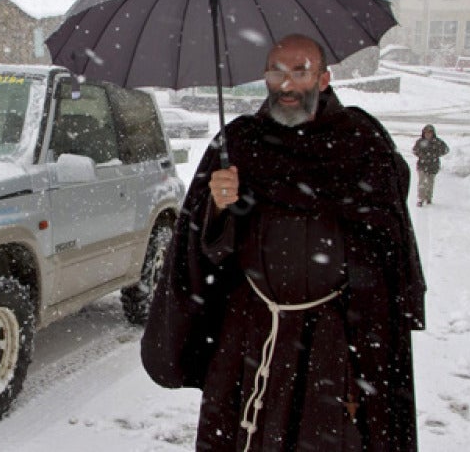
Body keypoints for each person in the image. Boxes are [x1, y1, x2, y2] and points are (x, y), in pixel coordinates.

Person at [141, 34, 426, 451]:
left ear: (324, 78)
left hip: (330, 337)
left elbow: (387, 224)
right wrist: (218, 208)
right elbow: (203, 253)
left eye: (300, 71)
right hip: (251, 329)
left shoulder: (360, 141)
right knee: (247, 435)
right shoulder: (240, 143)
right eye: (276, 72)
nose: (287, 85)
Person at [412, 124, 449, 207]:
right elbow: (414, 150)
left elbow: (446, 150)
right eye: (426, 132)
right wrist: (421, 155)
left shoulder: (438, 142)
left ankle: (428, 198)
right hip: (422, 165)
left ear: (433, 133)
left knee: (430, 183)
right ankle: (420, 199)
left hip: (433, 166)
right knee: (422, 182)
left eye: (430, 132)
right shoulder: (420, 142)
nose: (428, 134)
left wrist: (436, 154)